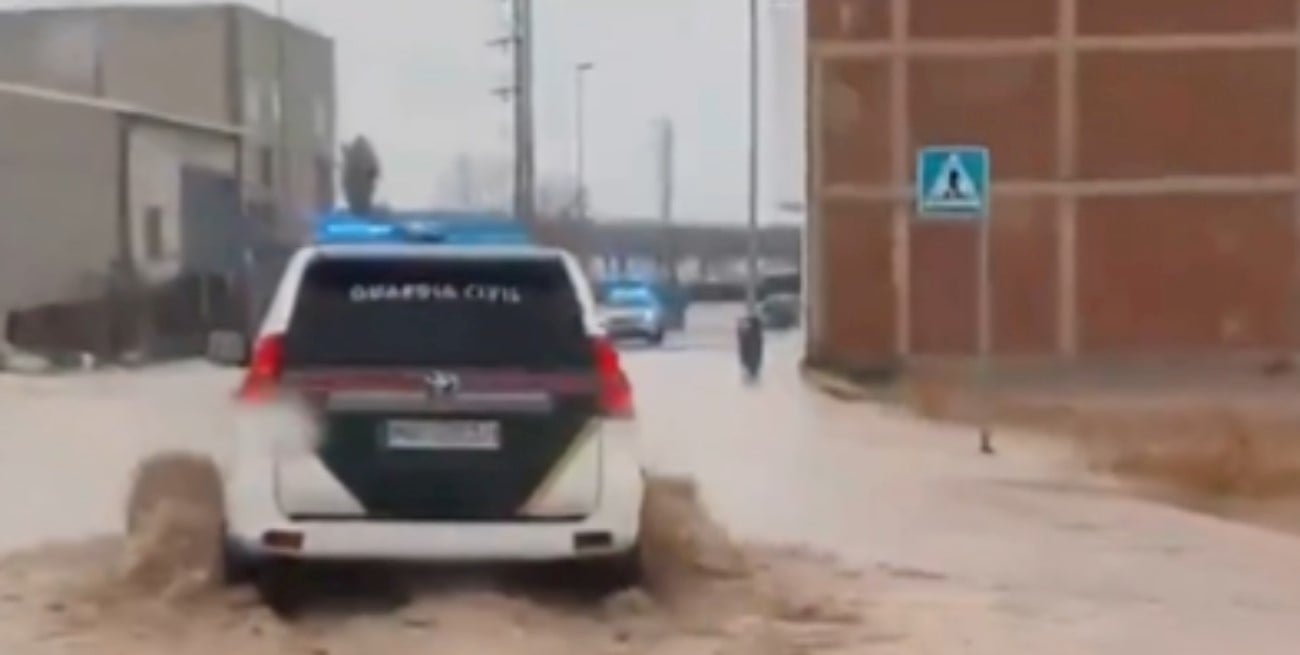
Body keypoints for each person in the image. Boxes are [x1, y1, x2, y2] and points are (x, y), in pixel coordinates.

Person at [736, 311, 764, 383]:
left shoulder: (748, 361)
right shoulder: (750, 361)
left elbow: (742, 346)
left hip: (751, 339)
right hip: (752, 339)